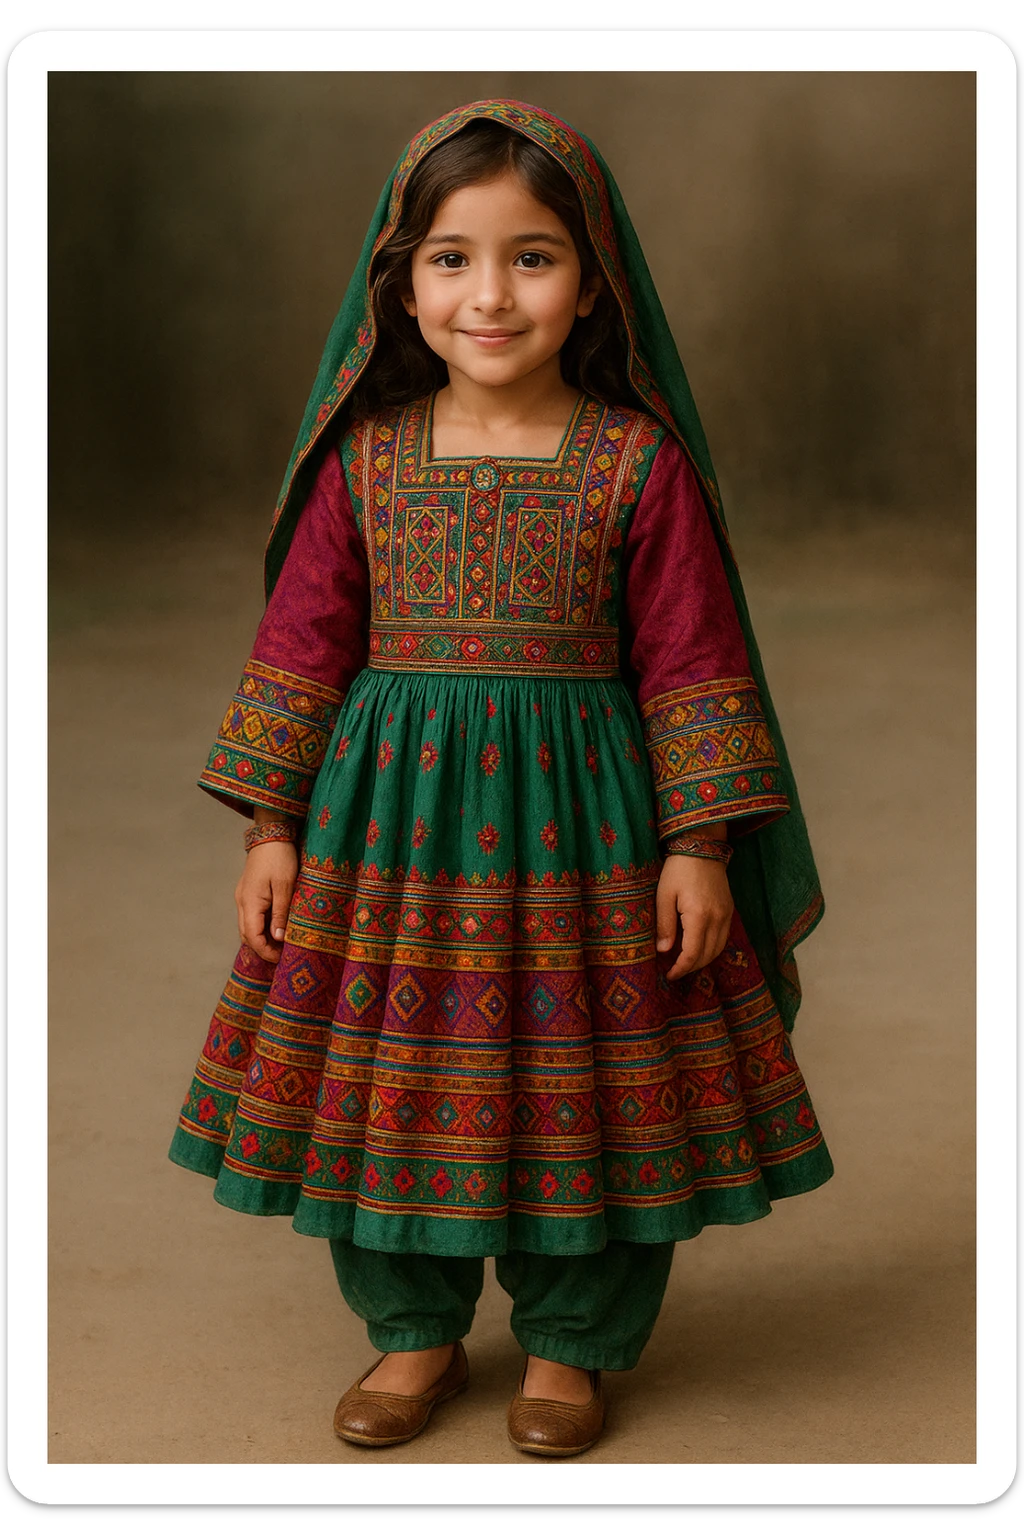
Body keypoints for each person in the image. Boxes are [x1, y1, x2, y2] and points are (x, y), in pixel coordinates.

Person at [169, 99, 833, 1459]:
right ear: (401, 284)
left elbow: (692, 663)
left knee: (587, 1073)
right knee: (390, 1072)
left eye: (532, 257)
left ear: (593, 282)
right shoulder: (362, 463)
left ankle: (572, 1346)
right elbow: (300, 651)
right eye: (452, 258)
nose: (489, 293)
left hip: (589, 836)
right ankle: (411, 1334)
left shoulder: (635, 463)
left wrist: (699, 842)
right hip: (386, 836)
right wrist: (274, 828)